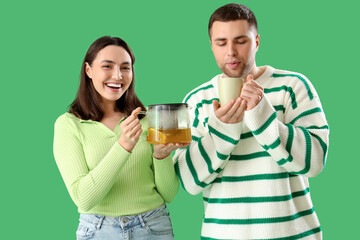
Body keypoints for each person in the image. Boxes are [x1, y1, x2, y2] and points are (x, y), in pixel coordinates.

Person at [174, 3, 329, 240]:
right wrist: (222, 133)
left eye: (240, 41)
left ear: (256, 41)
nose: (231, 52)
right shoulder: (196, 100)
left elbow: (315, 162)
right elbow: (188, 182)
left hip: (295, 234)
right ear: (211, 46)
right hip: (221, 235)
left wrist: (262, 117)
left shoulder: (294, 85)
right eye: (221, 42)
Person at [53, 36, 186, 240]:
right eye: (107, 66)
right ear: (88, 70)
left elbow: (169, 194)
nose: (118, 75)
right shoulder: (68, 125)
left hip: (153, 226)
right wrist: (123, 145)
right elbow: (83, 198)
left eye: (126, 67)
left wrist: (161, 156)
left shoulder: (148, 118)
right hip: (97, 231)